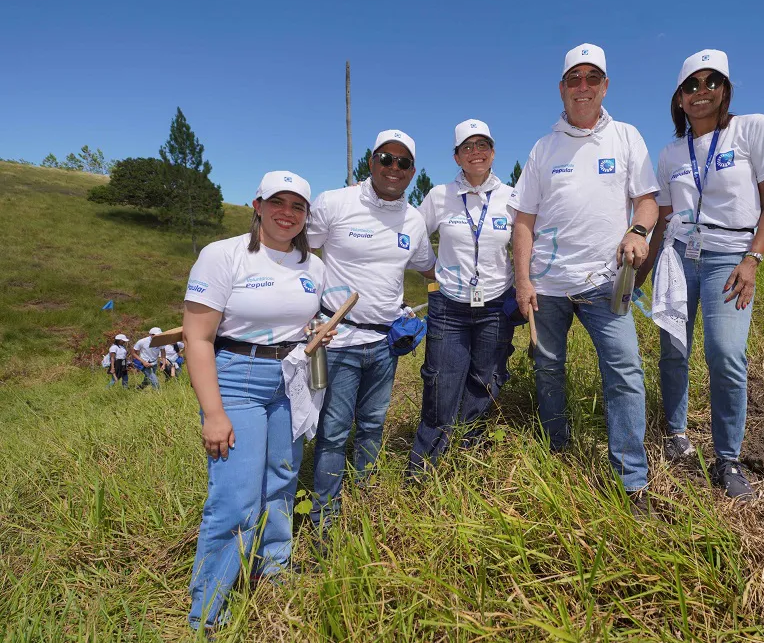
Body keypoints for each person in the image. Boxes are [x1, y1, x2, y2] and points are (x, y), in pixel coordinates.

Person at [509, 43, 660, 511]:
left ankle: (631, 480)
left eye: (592, 77)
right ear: (561, 87)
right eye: (574, 78)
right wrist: (522, 281)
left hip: (604, 282)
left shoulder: (627, 137)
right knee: (548, 369)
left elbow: (648, 199)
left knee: (625, 373)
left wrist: (638, 229)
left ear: (605, 86)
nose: (583, 86)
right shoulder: (543, 147)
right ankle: (557, 450)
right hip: (548, 286)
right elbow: (523, 222)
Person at [637, 49, 764, 500]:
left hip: (730, 256)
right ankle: (677, 434)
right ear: (679, 99)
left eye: (711, 82)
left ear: (725, 89)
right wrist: (639, 277)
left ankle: (728, 458)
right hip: (678, 255)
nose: (701, 92)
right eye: (691, 85)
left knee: (725, 353)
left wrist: (752, 260)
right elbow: (662, 219)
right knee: (673, 349)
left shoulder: (752, 129)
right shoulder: (669, 153)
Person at [184, 171, 330, 631]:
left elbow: (302, 320)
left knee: (283, 477)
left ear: (306, 216)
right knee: (236, 496)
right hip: (238, 378)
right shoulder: (223, 255)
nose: (287, 214)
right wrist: (214, 412)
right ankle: (208, 610)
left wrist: (315, 333)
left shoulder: (314, 267)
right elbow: (197, 336)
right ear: (258, 205)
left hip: (290, 379)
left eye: (298, 207)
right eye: (278, 203)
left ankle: (274, 568)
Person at [307, 130, 435, 527]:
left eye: (403, 163)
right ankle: (324, 518)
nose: (393, 168)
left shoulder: (413, 220)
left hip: (385, 343)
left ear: (412, 171)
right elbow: (298, 252)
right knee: (332, 432)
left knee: (373, 424)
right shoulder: (335, 203)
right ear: (371, 161)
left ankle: (365, 502)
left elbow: (430, 270)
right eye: (386, 159)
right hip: (339, 338)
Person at [407, 119, 518, 477]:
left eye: (482, 145)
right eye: (467, 147)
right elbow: (412, 235)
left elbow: (528, 242)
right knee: (441, 380)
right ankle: (424, 467)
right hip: (449, 307)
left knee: (487, 378)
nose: (476, 153)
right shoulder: (439, 196)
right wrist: (432, 269)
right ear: (456, 156)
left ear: (493, 152)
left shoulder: (511, 197)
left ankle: (466, 450)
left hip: (497, 304)